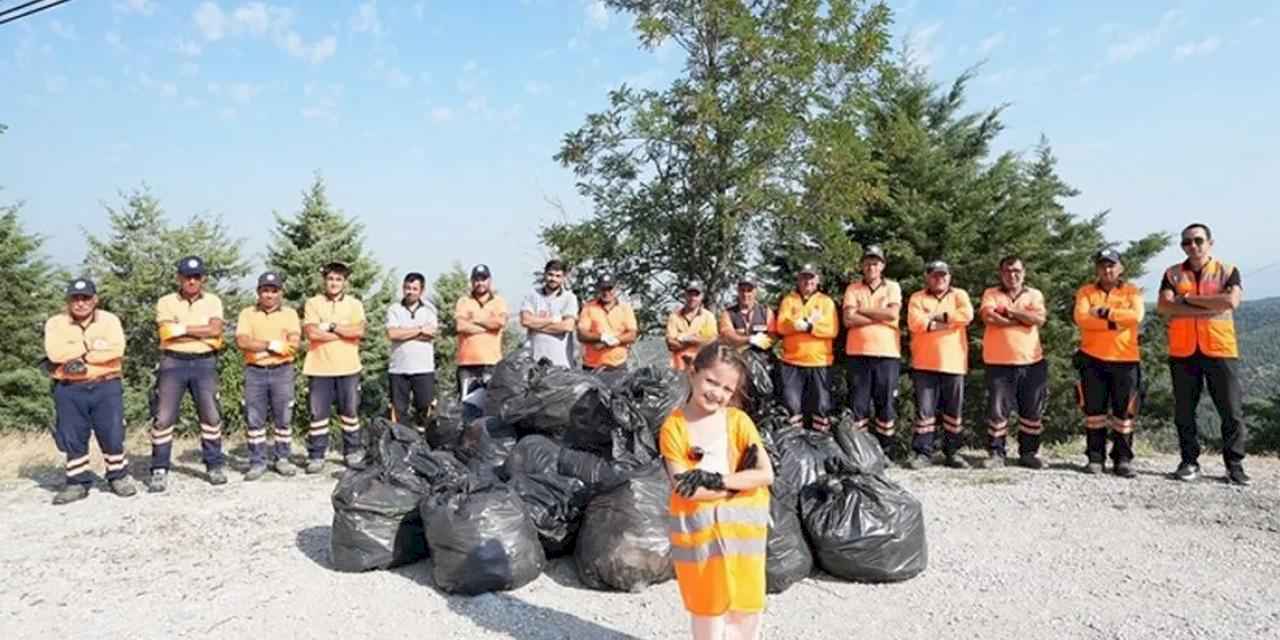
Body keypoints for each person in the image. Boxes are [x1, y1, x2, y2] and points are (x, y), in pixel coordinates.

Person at [659, 343, 774, 640]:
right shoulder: (674, 427)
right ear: (693, 372)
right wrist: (739, 483)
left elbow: (765, 474)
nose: (717, 393)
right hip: (702, 536)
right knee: (708, 611)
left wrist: (716, 481)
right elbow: (687, 489)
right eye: (711, 381)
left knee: (746, 610)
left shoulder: (738, 422)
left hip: (743, 537)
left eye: (727, 388)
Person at [1157, 223, 1249, 485]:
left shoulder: (1227, 270)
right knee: (1185, 411)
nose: (1192, 246)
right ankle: (1189, 461)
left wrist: (1185, 301)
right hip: (1183, 350)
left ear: (1210, 242)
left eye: (1198, 240)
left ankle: (1234, 464)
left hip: (1220, 348)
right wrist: (1209, 306)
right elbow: (1165, 306)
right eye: (1186, 242)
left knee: (1230, 410)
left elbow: (1231, 302)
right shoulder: (1172, 273)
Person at [43, 278, 136, 505]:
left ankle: (118, 476)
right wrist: (92, 347)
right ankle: (77, 482)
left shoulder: (109, 320)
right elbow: (55, 354)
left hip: (106, 384)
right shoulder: (55, 323)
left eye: (85, 298)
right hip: (69, 388)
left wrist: (76, 356)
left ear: (95, 300)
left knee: (112, 432)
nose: (81, 303)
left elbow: (117, 350)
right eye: (75, 298)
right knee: (73, 435)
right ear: (68, 301)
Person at [150, 255, 226, 492]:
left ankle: (213, 465)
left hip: (204, 362)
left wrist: (181, 328)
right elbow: (166, 333)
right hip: (173, 362)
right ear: (179, 278)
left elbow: (215, 329)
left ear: (203, 278)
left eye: (196, 277)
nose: (191, 281)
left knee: (210, 415)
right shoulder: (166, 301)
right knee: (163, 417)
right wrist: (201, 332)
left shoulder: (213, 301)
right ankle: (160, 468)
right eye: (187, 276)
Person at [1073, 249, 1144, 477]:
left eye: (1112, 265)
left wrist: (1102, 313)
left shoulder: (1132, 291)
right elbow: (1082, 319)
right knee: (1094, 413)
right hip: (1092, 359)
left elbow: (1136, 317)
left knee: (1125, 414)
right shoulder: (1085, 292)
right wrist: (1116, 321)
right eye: (1103, 265)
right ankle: (1095, 458)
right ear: (1097, 268)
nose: (1107, 269)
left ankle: (1123, 459)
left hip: (1126, 359)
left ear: (1120, 267)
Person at [978, 256, 1049, 469]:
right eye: (1008, 271)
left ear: (1024, 272)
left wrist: (1009, 312)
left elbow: (1038, 320)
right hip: (998, 362)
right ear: (1001, 274)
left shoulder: (1034, 294)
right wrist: (1022, 319)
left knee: (1031, 411)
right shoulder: (991, 293)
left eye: (1017, 271)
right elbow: (988, 317)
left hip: (1031, 361)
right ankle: (996, 453)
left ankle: (1028, 453)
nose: (1012, 275)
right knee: (998, 411)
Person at [904, 260, 974, 470]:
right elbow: (915, 323)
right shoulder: (917, 297)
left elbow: (967, 316)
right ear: (927, 277)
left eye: (943, 275)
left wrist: (935, 319)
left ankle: (954, 452)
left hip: (954, 363)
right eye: (935, 275)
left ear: (949, 277)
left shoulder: (959, 295)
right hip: (924, 363)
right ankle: (923, 453)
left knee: (953, 412)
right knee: (925, 412)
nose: (939, 278)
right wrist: (949, 323)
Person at [302, 261, 368, 473]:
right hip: (319, 368)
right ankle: (316, 455)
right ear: (325, 280)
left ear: (345, 282)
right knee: (318, 415)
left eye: (338, 279)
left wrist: (330, 326)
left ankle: (352, 452)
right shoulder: (313, 303)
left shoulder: (355, 304)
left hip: (348, 368)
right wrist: (342, 333)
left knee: (349, 413)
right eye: (330, 278)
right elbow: (312, 333)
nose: (334, 283)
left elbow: (358, 332)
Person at [235, 272, 301, 480]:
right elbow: (243, 342)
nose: (269, 295)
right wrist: (273, 345)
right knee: (254, 418)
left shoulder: (290, 314)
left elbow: (293, 346)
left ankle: (283, 458)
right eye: (265, 290)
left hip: (282, 371)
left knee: (283, 416)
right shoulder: (247, 313)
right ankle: (257, 461)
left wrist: (260, 347)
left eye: (274, 291)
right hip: (255, 372)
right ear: (258, 292)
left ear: (280, 293)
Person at [841, 245, 903, 456]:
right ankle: (861, 452)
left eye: (875, 263)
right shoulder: (853, 289)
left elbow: (892, 315)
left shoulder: (892, 287)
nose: (871, 267)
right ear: (862, 265)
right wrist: (880, 314)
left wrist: (862, 311)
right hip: (858, 354)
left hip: (887, 354)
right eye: (867, 263)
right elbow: (848, 319)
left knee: (885, 403)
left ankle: (885, 450)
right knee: (858, 404)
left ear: (882, 266)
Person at [776, 263, 838, 431]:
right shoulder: (789, 300)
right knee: (791, 405)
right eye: (804, 277)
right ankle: (795, 444)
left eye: (811, 278)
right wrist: (795, 325)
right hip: (792, 362)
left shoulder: (826, 302)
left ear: (817, 280)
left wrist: (810, 328)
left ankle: (821, 443)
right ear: (798, 280)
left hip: (819, 362)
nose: (807, 281)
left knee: (821, 406)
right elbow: (781, 326)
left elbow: (832, 330)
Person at [386, 272, 438, 432]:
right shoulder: (394, 309)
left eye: (414, 288)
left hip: (423, 368)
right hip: (398, 368)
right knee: (398, 410)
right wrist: (420, 329)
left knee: (425, 405)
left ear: (421, 291)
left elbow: (431, 334)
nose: (410, 291)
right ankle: (401, 445)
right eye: (407, 288)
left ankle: (423, 438)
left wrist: (404, 332)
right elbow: (393, 334)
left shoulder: (430, 309)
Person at [454, 264, 508, 397]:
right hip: (467, 364)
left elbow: (499, 323)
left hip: (491, 362)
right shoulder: (464, 301)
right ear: (472, 281)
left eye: (483, 279)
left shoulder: (498, 301)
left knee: (490, 403)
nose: (480, 283)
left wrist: (474, 319)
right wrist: (487, 327)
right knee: (466, 404)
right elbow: (461, 326)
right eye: (477, 280)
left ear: (489, 280)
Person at [519, 259, 579, 368]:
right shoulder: (532, 295)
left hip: (561, 363)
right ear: (545, 274)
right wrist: (553, 320)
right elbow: (525, 320)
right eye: (550, 275)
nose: (553, 279)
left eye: (558, 276)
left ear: (563, 278)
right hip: (535, 361)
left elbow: (568, 326)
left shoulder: (569, 298)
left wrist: (535, 326)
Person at [577, 274, 638, 372]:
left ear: (616, 289)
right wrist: (602, 337)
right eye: (603, 289)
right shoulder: (588, 307)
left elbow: (632, 335)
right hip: (592, 366)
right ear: (598, 289)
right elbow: (581, 335)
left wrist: (614, 340)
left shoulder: (625, 308)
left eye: (610, 289)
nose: (606, 292)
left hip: (618, 365)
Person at [666, 281, 718, 371]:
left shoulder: (708, 317)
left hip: (702, 367)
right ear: (685, 295)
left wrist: (685, 338)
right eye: (690, 294)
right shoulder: (674, 316)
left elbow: (712, 343)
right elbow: (670, 344)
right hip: (678, 367)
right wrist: (698, 340)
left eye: (696, 295)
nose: (692, 298)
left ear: (701, 297)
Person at [717, 278, 776, 354]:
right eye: (742, 290)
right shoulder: (728, 313)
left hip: (763, 358)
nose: (745, 294)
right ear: (738, 291)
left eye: (749, 290)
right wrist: (750, 339)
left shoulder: (766, 311)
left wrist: (765, 341)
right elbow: (727, 336)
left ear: (755, 292)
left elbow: (773, 336)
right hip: (737, 359)